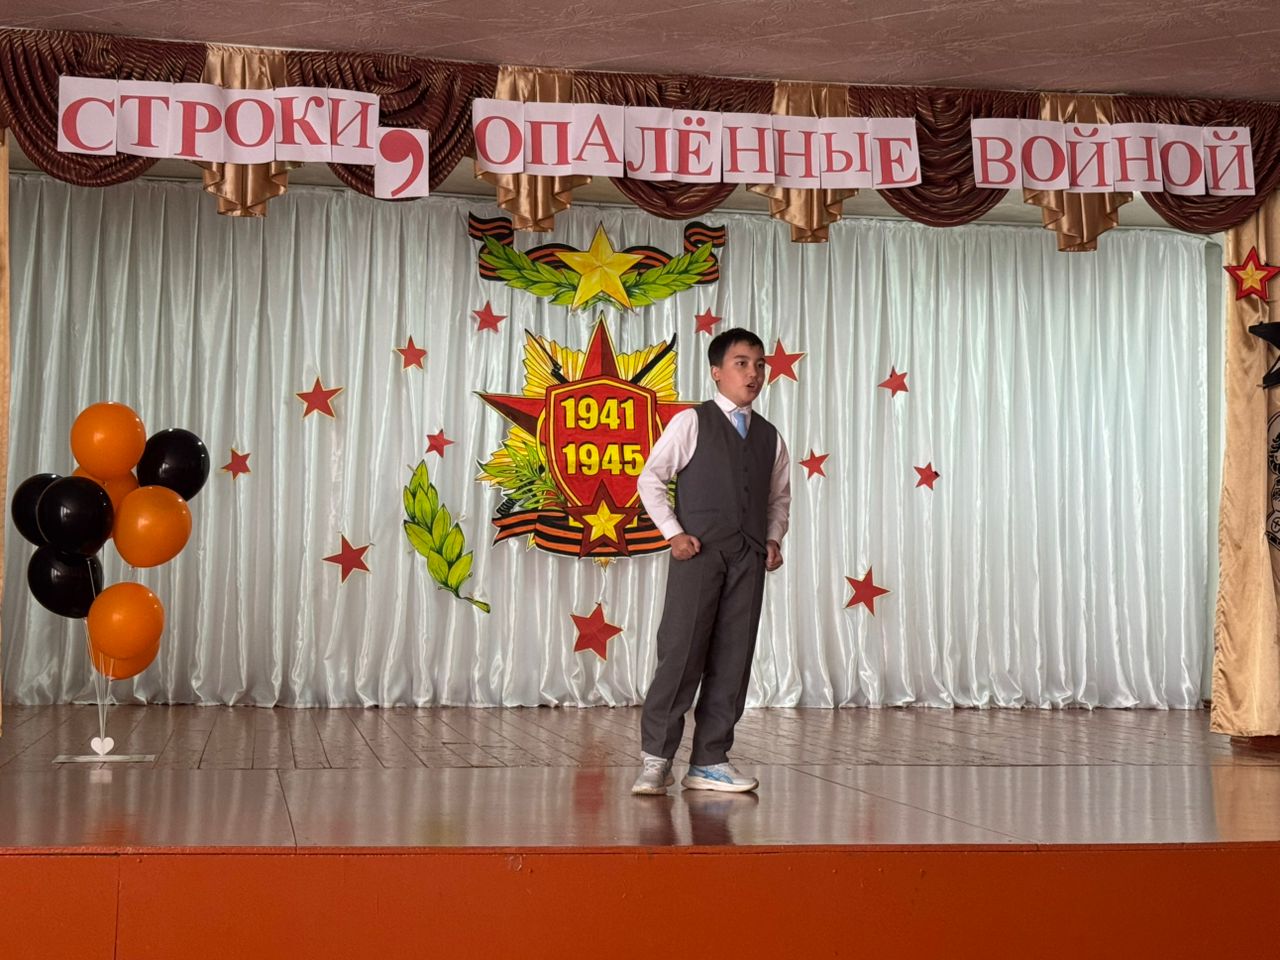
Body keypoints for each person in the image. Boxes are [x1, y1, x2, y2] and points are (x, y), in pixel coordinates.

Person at [631, 327, 791, 795]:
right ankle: (656, 759)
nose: (753, 373)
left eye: (760, 365)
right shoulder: (692, 422)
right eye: (742, 363)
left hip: (748, 559)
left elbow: (778, 498)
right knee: (681, 654)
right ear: (716, 372)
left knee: (733, 659)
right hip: (698, 554)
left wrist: (773, 538)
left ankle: (709, 761)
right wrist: (674, 533)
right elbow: (651, 479)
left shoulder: (770, 436)